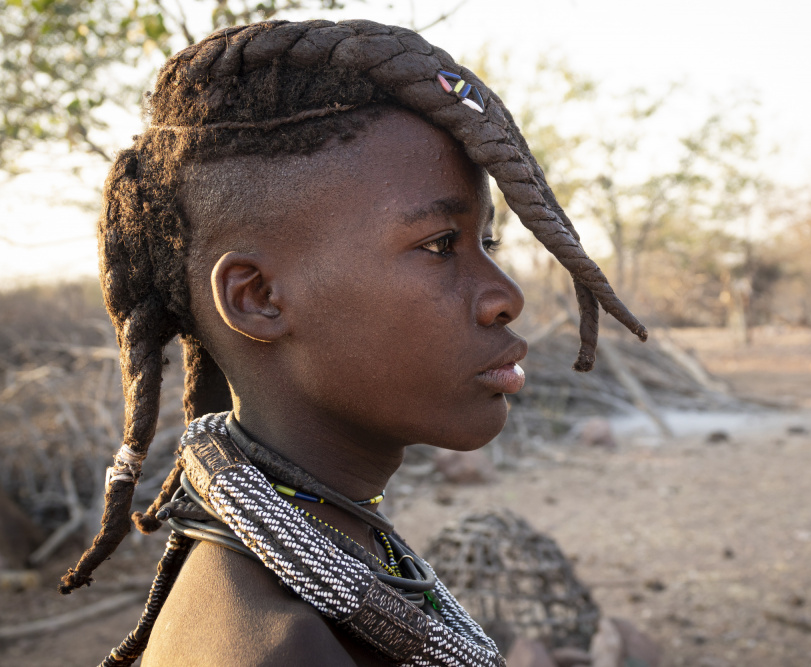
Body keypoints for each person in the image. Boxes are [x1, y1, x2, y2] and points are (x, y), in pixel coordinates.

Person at [62, 19, 646, 666]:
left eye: (488, 242)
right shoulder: (280, 648)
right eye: (439, 244)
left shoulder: (339, 560)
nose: (505, 294)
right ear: (257, 298)